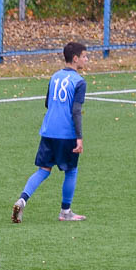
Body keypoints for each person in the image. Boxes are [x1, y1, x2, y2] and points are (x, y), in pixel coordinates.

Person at [12, 42, 89, 223]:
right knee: (71, 171)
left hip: (48, 131)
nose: (87, 60)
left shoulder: (55, 77)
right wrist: (79, 137)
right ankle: (65, 211)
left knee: (43, 170)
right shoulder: (79, 81)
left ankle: (22, 199)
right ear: (75, 58)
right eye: (85, 56)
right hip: (66, 133)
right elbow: (76, 111)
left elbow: (48, 103)